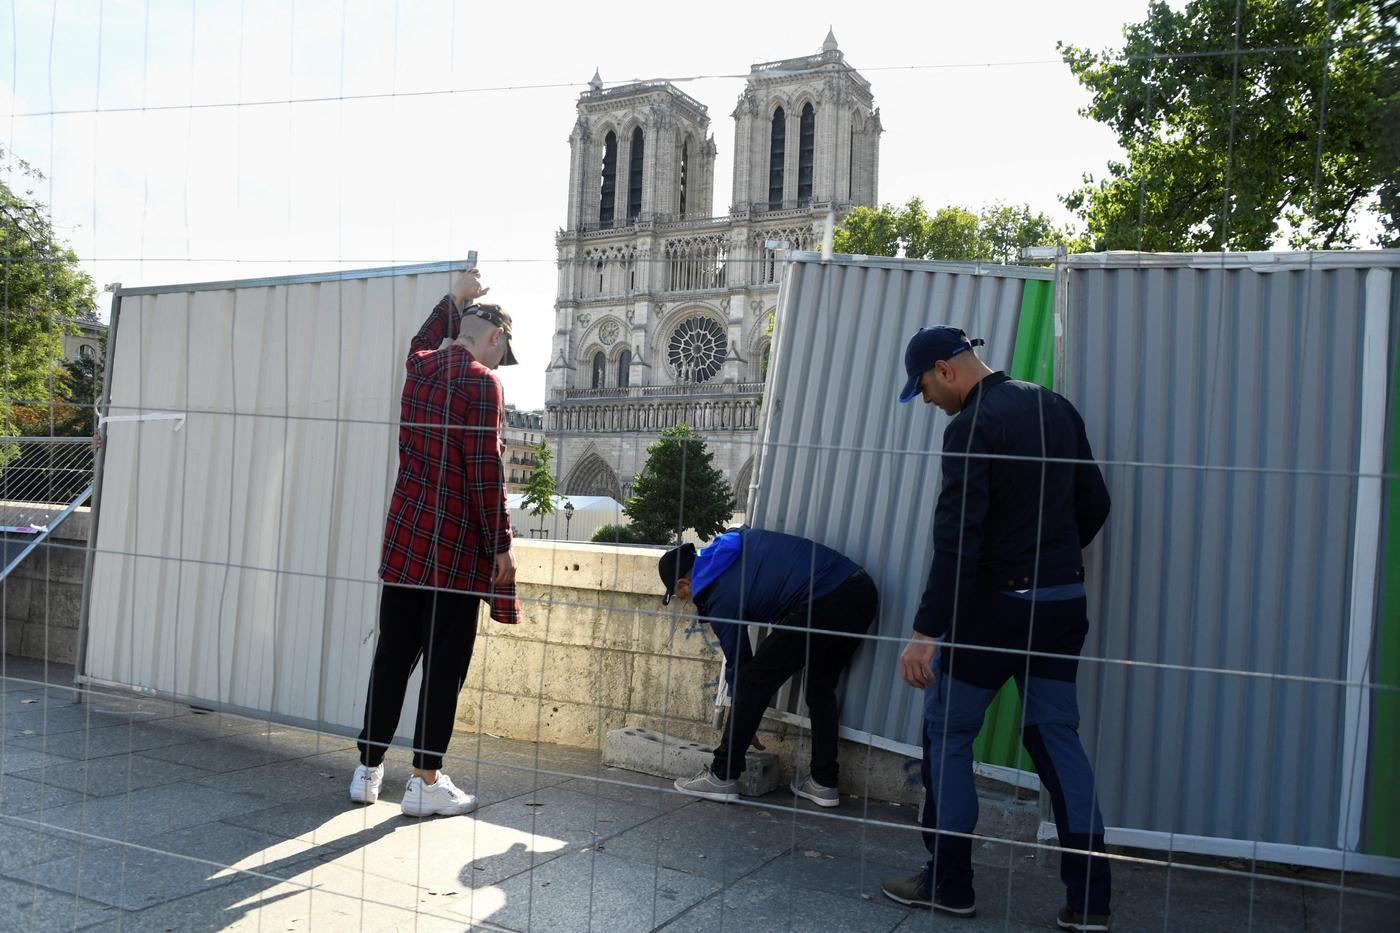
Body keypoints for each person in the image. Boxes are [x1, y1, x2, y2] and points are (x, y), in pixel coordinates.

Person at [880, 326, 1113, 932]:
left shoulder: (971, 427)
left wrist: (927, 631)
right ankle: (1090, 901)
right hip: (1061, 603)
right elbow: (1097, 503)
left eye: (925, 387)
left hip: (995, 611)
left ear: (945, 370)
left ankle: (950, 884)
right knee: (1057, 738)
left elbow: (958, 540)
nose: (927, 400)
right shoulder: (1055, 406)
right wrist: (1051, 559)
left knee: (947, 732)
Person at [349, 268, 521, 818]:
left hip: (405, 541)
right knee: (444, 667)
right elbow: (484, 471)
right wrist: (502, 544)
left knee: (391, 657)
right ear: (494, 338)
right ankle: (425, 780)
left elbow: (420, 343)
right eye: (503, 353)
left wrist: (454, 299)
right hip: (454, 551)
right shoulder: (482, 383)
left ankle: (367, 770)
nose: (501, 365)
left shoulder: (419, 369)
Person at [660, 527, 878, 807]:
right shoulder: (730, 547)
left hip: (822, 598)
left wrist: (743, 720)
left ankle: (722, 776)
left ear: (684, 583)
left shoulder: (717, 593)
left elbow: (740, 663)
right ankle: (824, 782)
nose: (684, 602)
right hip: (860, 591)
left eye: (678, 595)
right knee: (820, 688)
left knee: (753, 681)